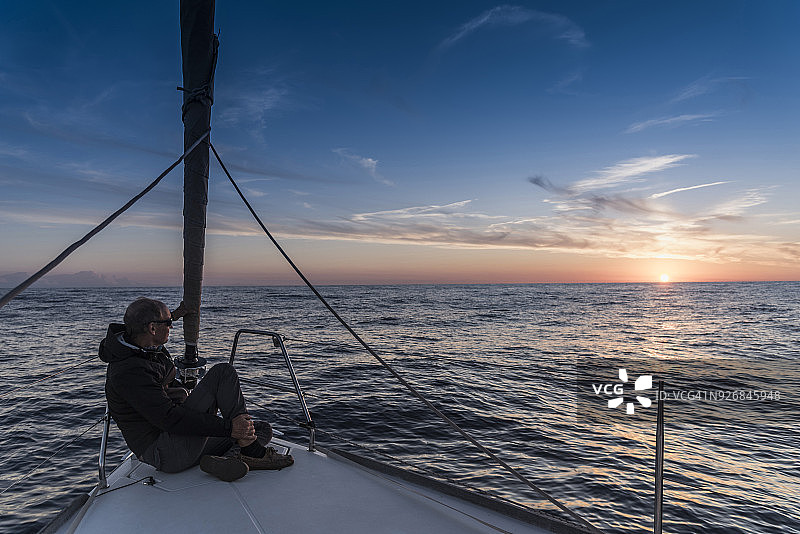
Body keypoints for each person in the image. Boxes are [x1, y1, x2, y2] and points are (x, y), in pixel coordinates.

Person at [99, 297, 293, 482]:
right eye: (168, 322)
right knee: (223, 372)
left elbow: (166, 394)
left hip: (177, 439)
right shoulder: (128, 371)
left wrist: (176, 314)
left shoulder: (144, 349)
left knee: (261, 428)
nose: (171, 326)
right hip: (165, 451)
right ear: (152, 328)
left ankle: (232, 458)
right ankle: (251, 452)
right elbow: (169, 418)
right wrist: (229, 428)